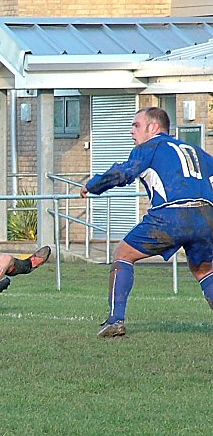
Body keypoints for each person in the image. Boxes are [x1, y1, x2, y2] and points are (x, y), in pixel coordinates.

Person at [80, 107, 213, 338]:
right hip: (206, 216)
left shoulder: (149, 147)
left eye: (136, 126)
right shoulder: (196, 151)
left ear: (153, 127)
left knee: (123, 253)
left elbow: (124, 173)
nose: (132, 132)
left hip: (170, 215)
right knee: (205, 270)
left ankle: (115, 321)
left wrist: (93, 185)